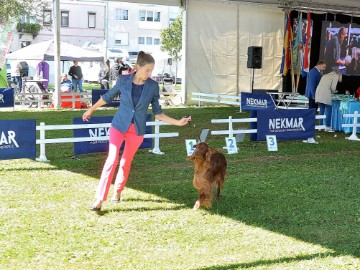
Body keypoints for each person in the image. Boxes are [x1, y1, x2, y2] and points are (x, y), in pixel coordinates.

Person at [82, 51, 191, 211]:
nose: (150, 73)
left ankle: (117, 191)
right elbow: (107, 97)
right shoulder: (123, 80)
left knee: (126, 162)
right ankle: (99, 199)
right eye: (147, 70)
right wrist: (91, 109)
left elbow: (158, 113)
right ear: (137, 67)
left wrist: (178, 122)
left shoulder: (153, 87)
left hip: (137, 130)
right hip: (118, 126)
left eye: (151, 71)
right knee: (112, 160)